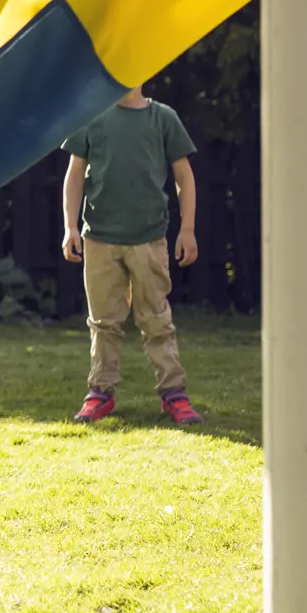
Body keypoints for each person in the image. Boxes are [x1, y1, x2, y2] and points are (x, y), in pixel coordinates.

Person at [61, 87, 204, 426]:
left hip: (149, 239)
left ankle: (174, 395)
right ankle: (100, 393)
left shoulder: (163, 118)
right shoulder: (90, 115)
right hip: (99, 238)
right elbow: (74, 174)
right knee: (104, 322)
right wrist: (69, 228)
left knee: (156, 318)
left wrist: (188, 229)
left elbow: (184, 176)